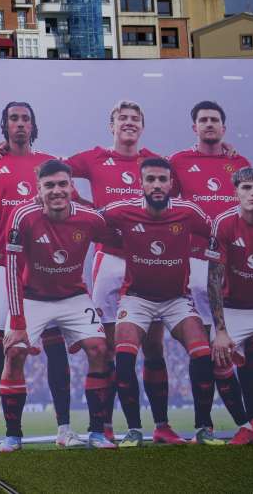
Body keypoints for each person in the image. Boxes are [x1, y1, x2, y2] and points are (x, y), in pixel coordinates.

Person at [0, 102, 80, 450]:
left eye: (26, 119)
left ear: (33, 125)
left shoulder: (48, 165)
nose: (20, 124)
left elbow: (69, 209)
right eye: (13, 118)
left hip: (42, 269)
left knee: (56, 351)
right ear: (4, 125)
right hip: (0, 268)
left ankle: (65, 430)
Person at [66, 100, 173, 443]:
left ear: (142, 126)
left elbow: (181, 192)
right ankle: (106, 426)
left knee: (154, 346)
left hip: (148, 261)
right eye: (122, 118)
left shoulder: (155, 163)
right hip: (108, 261)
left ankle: (161, 426)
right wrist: (82, 205)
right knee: (108, 348)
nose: (128, 123)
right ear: (111, 126)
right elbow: (51, 170)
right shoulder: (95, 158)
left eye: (135, 119)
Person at [0, 160, 115, 452]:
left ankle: (97, 433)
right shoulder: (22, 216)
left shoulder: (90, 219)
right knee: (14, 352)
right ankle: (13, 436)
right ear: (39, 190)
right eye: (49, 185)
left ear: (72, 187)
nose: (57, 191)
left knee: (99, 348)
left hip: (73, 296)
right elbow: (11, 272)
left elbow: (119, 243)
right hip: (33, 297)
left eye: (63, 184)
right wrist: (19, 323)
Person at [101, 158, 219, 447]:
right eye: (150, 179)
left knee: (203, 355)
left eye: (162, 179)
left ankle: (204, 429)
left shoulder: (187, 212)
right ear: (140, 183)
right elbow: (87, 220)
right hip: (137, 299)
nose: (156, 185)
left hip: (176, 300)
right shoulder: (122, 210)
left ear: (171, 183)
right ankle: (134, 430)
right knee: (125, 358)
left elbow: (219, 231)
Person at [168, 100, 253, 443]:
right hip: (195, 263)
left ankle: (251, 423)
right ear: (194, 127)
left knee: (245, 345)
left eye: (214, 120)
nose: (209, 124)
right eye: (203, 120)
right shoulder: (178, 162)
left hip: (235, 264)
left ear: (224, 127)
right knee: (203, 345)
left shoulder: (240, 163)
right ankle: (203, 424)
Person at [205, 167, 253, 444]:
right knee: (217, 355)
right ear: (236, 193)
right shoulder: (223, 223)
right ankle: (245, 426)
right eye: (246, 188)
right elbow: (214, 280)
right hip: (234, 309)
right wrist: (220, 330)